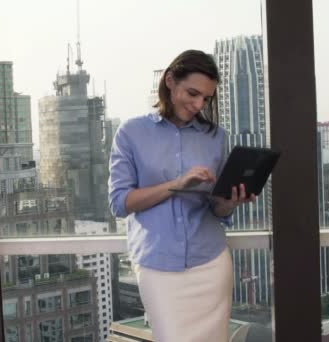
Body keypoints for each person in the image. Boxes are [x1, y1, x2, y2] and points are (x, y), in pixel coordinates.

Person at [108, 50, 256, 342]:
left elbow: (217, 209)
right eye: (193, 93)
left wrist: (229, 203)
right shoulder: (131, 132)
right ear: (170, 81)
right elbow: (120, 203)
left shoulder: (216, 136)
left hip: (210, 261)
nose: (199, 104)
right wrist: (178, 184)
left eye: (206, 98)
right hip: (158, 265)